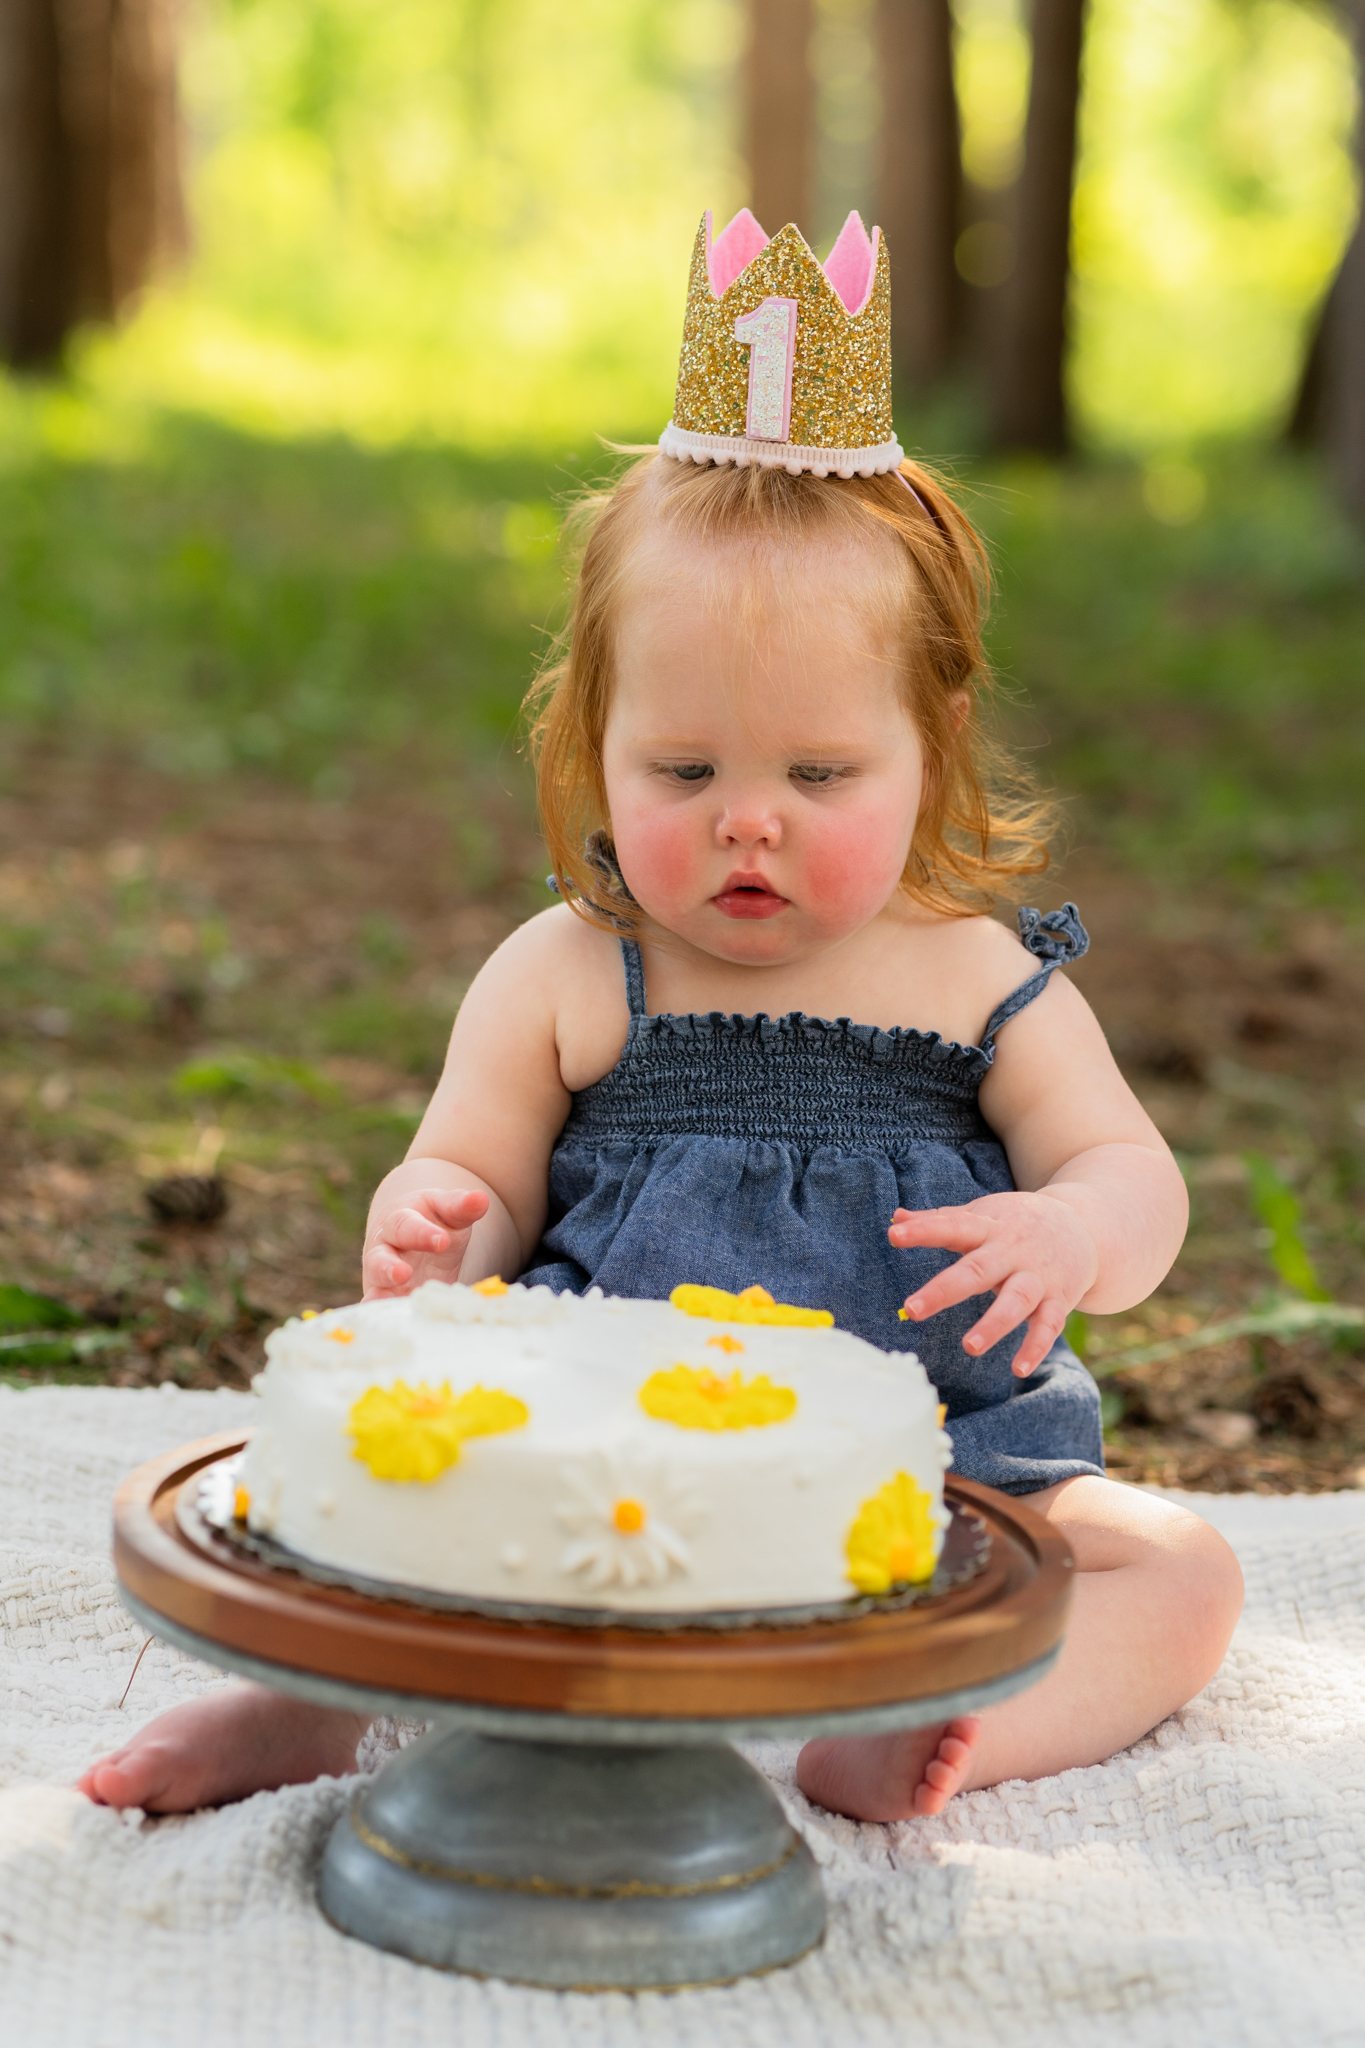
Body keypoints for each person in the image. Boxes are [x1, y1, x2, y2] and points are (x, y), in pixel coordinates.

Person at [81, 211, 1242, 1821]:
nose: (742, 821)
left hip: (940, 1488)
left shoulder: (980, 979)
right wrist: (439, 1227)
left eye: (817, 774)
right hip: (600, 1492)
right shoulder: (569, 972)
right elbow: (471, 1196)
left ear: (931, 737)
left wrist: (1069, 1234)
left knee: (1175, 1571)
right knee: (377, 1522)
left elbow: (1137, 1178)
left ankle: (943, 1727)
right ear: (591, 741)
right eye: (681, 772)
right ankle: (305, 1708)